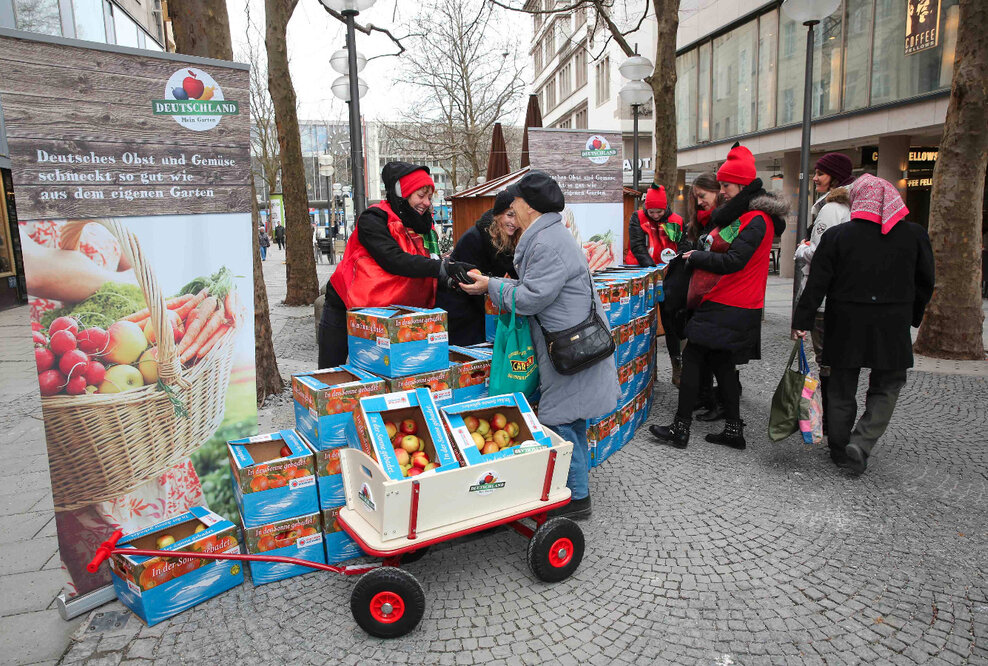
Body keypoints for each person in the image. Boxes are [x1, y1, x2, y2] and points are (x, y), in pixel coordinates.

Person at [460, 171, 620, 520]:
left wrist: (490, 286)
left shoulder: (546, 243)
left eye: (515, 200)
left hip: (569, 349)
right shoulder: (548, 236)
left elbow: (533, 297)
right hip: (569, 345)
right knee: (572, 419)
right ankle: (575, 488)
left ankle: (576, 499)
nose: (511, 207)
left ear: (528, 205)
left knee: (559, 422)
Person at [793, 174, 934, 474]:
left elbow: (817, 283)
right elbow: (926, 281)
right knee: (888, 385)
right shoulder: (914, 235)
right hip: (892, 323)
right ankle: (862, 441)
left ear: (856, 200)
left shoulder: (837, 236)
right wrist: (913, 315)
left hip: (845, 321)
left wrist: (801, 321)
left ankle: (839, 448)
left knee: (842, 385)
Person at [649, 143, 787, 450]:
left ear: (741, 185)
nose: (722, 191)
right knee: (723, 365)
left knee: (695, 357)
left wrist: (696, 256)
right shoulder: (747, 217)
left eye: (725, 185)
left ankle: (680, 429)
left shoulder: (757, 220)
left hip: (731, 303)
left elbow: (734, 261)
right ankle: (734, 431)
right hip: (730, 302)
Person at [319, 162, 475, 368]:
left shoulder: (426, 228)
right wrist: (442, 268)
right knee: (332, 371)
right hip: (348, 306)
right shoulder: (374, 219)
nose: (427, 203)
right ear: (404, 193)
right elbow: (394, 260)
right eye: (421, 195)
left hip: (392, 315)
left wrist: (452, 275)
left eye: (430, 197)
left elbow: (430, 263)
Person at [793, 152, 854, 434]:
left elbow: (819, 254)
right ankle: (837, 420)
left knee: (826, 362)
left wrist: (802, 249)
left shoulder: (831, 208)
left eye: (820, 173)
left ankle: (831, 422)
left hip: (823, 300)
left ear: (835, 177)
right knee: (839, 362)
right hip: (843, 297)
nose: (815, 178)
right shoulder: (851, 207)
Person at [435, 190, 520, 345]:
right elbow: (470, 283)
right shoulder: (475, 238)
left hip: (480, 307)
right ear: (497, 215)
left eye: (517, 216)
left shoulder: (506, 238)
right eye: (509, 215)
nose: (514, 222)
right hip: (460, 309)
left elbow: (516, 273)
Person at [624, 184, 687, 385]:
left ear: (666, 207)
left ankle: (677, 366)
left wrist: (675, 263)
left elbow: (684, 245)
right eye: (652, 211)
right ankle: (650, 369)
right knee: (643, 322)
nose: (656, 215)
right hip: (644, 273)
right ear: (646, 207)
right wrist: (652, 268)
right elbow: (637, 245)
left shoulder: (676, 221)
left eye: (659, 211)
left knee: (670, 323)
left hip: (670, 276)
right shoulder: (638, 218)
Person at [683, 172, 731, 422]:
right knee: (701, 353)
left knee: (716, 356)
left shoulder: (725, 220)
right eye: (696, 197)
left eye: (703, 195)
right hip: (700, 292)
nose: (699, 201)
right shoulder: (700, 220)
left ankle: (722, 406)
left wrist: (696, 256)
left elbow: (728, 258)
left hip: (719, 293)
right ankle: (705, 397)